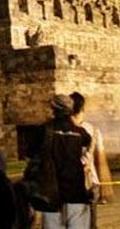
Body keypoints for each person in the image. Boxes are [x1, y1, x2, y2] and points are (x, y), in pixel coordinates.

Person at [26, 94, 92, 229]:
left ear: (53, 109)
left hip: (51, 193)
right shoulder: (80, 132)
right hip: (76, 191)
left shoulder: (43, 130)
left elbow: (30, 154)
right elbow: (88, 145)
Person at [70, 92, 113, 229]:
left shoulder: (59, 130)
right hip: (89, 181)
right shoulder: (93, 130)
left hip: (67, 182)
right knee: (90, 223)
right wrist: (105, 187)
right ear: (82, 109)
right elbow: (100, 160)